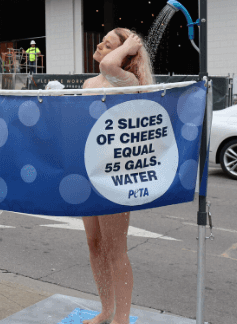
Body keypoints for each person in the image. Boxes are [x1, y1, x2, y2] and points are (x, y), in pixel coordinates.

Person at [80, 28, 153, 324]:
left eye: (108, 44)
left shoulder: (127, 80)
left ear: (125, 55)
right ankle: (106, 310)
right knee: (94, 243)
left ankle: (121, 318)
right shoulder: (89, 83)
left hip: (116, 173)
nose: (100, 45)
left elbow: (109, 65)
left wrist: (131, 46)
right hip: (89, 169)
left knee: (115, 248)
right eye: (102, 41)